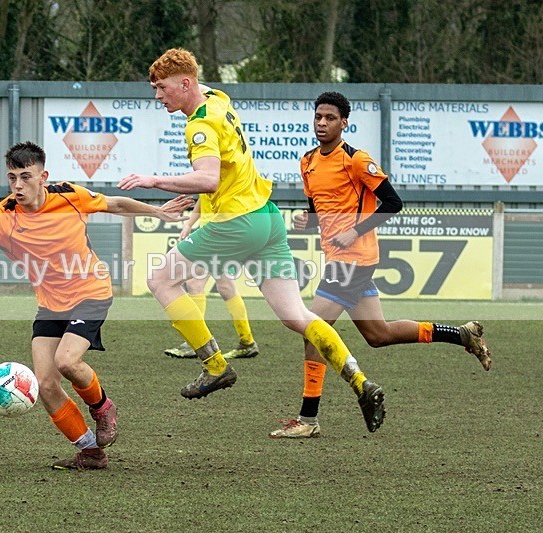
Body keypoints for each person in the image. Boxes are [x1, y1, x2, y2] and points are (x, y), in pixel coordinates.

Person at [118, 48, 386, 433]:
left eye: (161, 88)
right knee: (298, 317)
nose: (157, 96)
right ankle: (362, 383)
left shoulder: (199, 127)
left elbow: (207, 180)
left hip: (236, 223)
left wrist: (152, 180)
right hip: (267, 218)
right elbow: (197, 81)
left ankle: (214, 366)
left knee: (160, 279)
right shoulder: (217, 100)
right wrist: (179, 70)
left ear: (185, 84)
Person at [0, 141, 192, 469]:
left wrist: (159, 211)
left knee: (66, 361)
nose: (18, 186)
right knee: (46, 384)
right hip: (50, 305)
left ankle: (103, 409)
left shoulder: (68, 196)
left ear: (43, 176)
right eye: (12, 178)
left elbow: (114, 204)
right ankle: (91, 453)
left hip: (91, 292)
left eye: (25, 177)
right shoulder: (4, 215)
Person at [269, 91, 491, 438]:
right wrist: (307, 223)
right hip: (341, 257)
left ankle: (308, 419)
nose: (322, 123)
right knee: (378, 334)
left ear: (344, 123)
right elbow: (319, 211)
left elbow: (392, 203)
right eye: (318, 117)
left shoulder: (357, 160)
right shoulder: (308, 161)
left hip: (354, 258)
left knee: (313, 329)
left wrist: (354, 231)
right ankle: (461, 334)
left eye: (330, 118)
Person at [164, 195, 260, 360]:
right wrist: (189, 224)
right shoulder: (214, 174)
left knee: (195, 283)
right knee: (225, 287)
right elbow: (204, 199)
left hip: (218, 234)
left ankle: (196, 343)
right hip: (216, 232)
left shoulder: (220, 174)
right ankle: (247, 342)